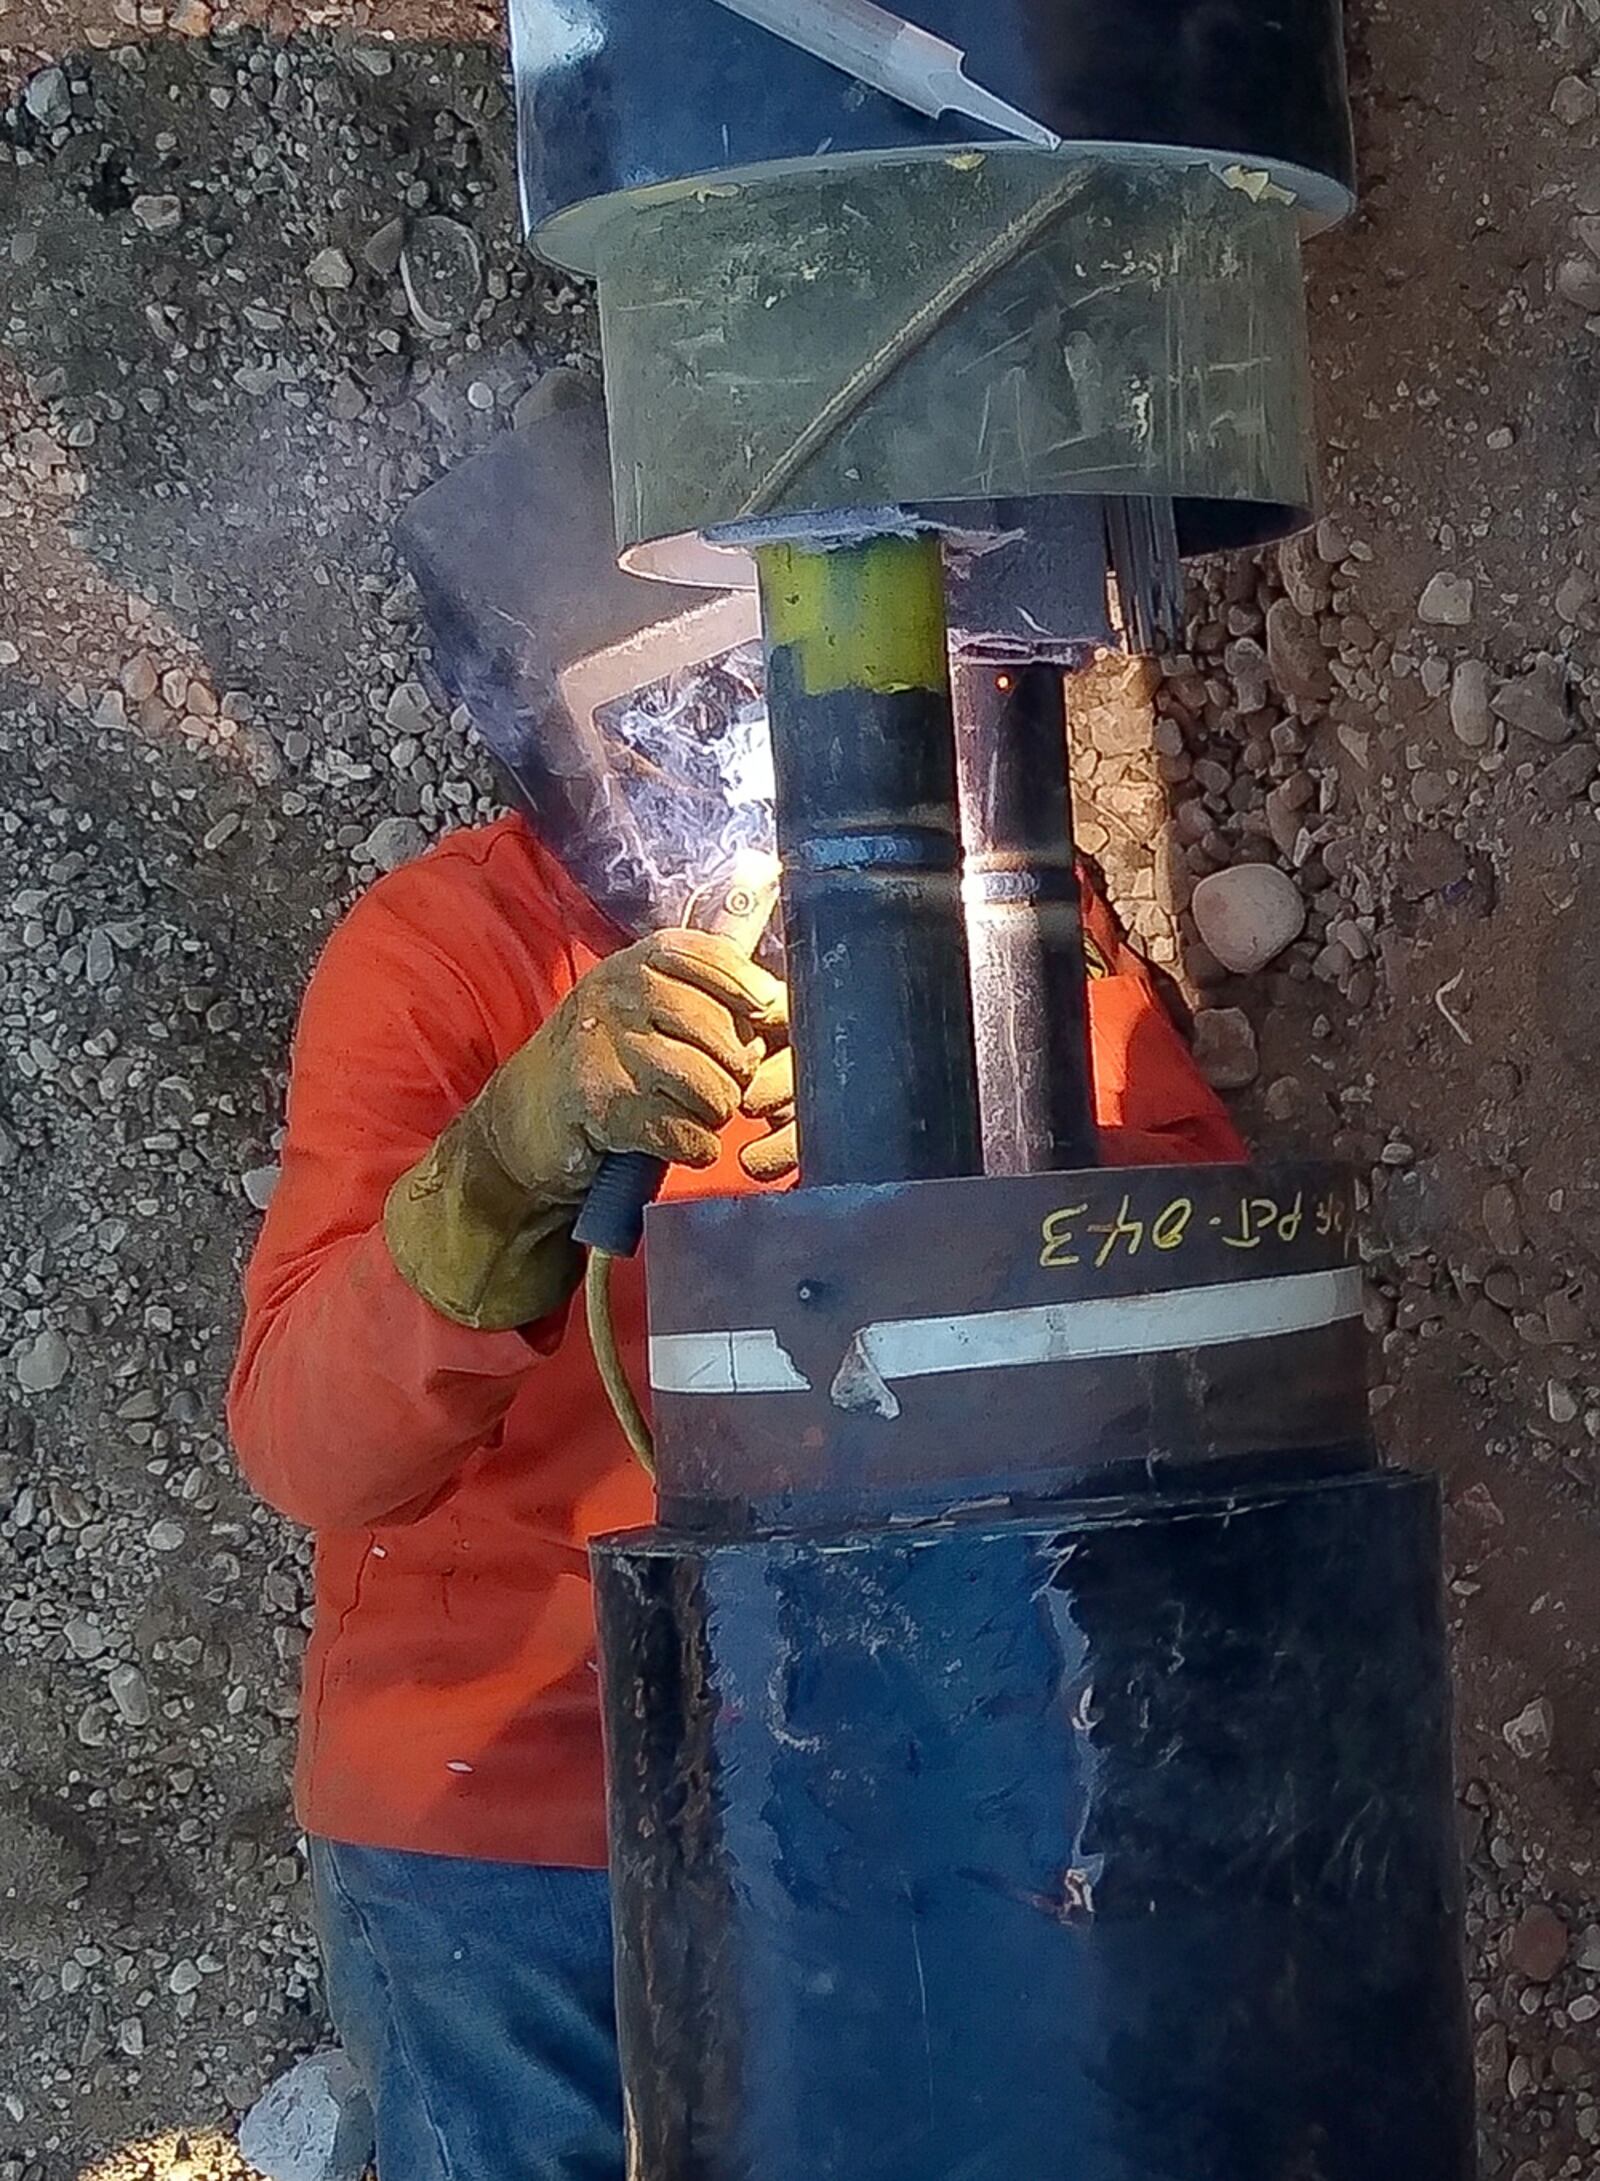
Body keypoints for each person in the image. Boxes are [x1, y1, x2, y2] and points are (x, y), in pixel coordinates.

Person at [227, 804, 1244, 2181]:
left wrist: (941, 1159)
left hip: (914, 1770)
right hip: (520, 1808)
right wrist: (510, 1161)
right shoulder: (451, 945)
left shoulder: (989, 905)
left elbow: (1222, 1271)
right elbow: (309, 1445)